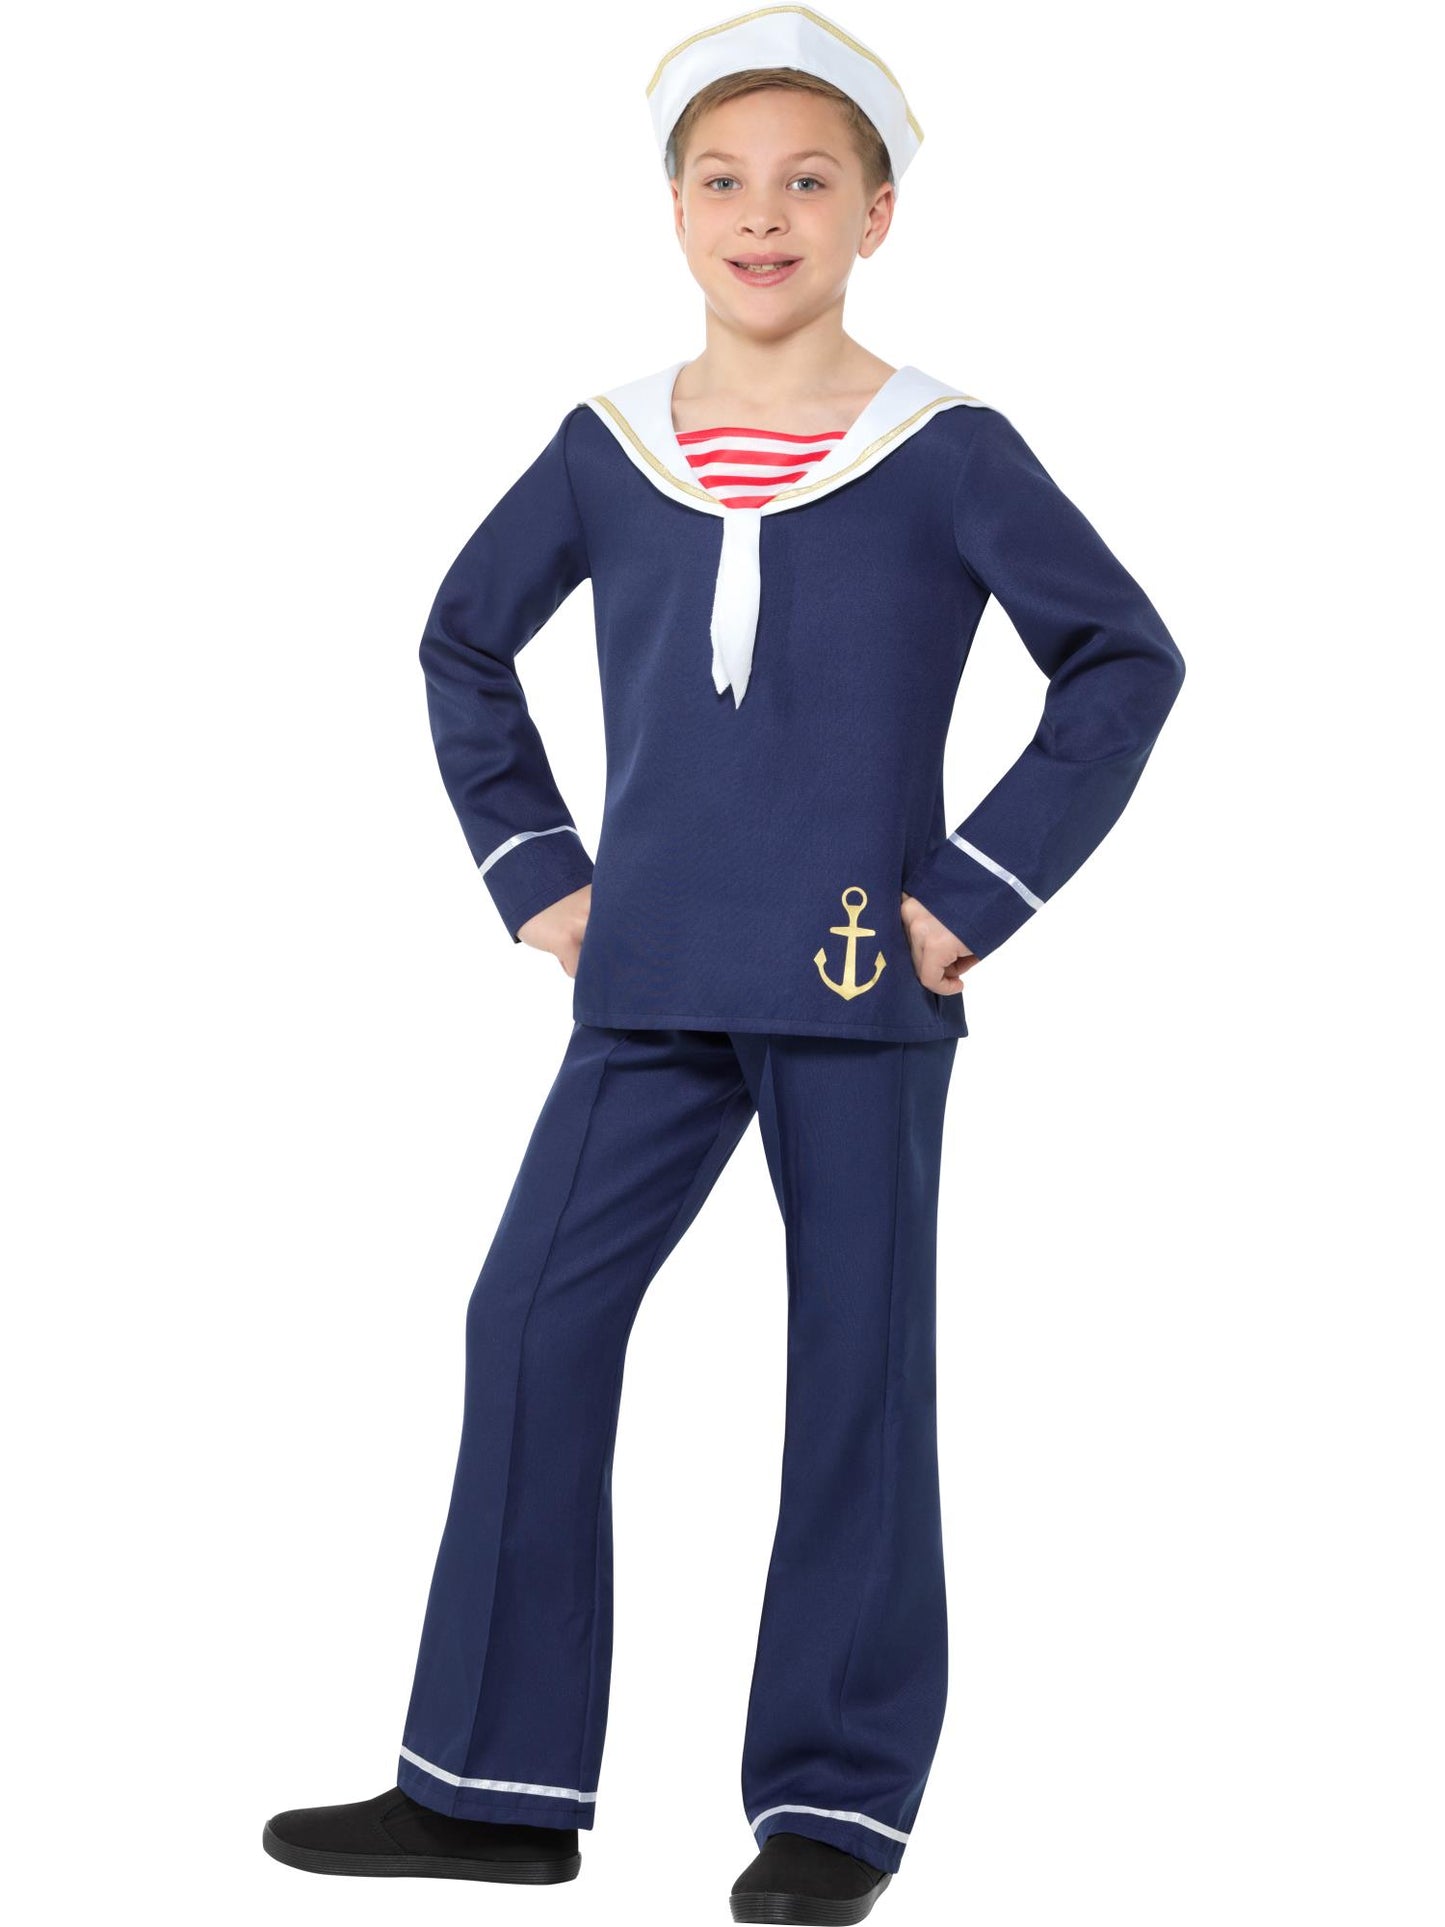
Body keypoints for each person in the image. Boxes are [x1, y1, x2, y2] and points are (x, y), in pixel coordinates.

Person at [261, 7, 1186, 1921]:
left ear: (875, 216)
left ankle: (830, 1808)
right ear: (673, 208)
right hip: (651, 979)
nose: (762, 215)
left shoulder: (948, 450)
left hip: (861, 983)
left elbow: (1121, 659)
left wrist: (971, 893)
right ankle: (493, 1787)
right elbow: (461, 641)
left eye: (806, 182)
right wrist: (540, 874)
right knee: (530, 1321)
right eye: (722, 181)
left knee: (855, 1374)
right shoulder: (606, 448)